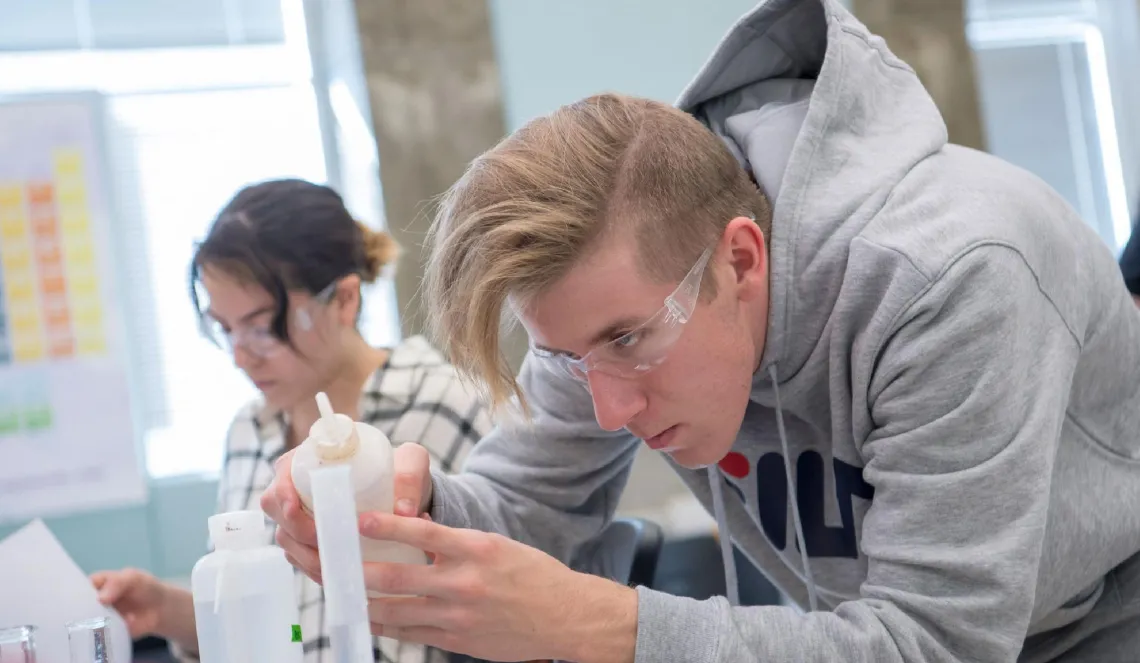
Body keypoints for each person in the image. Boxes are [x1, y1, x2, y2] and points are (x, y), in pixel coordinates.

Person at [262, 0, 1140, 661]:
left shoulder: (951, 277)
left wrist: (598, 619)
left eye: (628, 342)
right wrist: (409, 512)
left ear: (742, 260)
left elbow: (933, 644)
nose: (608, 407)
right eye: (568, 355)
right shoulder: (609, 302)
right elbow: (528, 508)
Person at [90, 179, 491, 663]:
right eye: (225, 329)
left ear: (344, 300)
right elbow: (283, 628)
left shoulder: (444, 403)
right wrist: (167, 609)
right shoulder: (249, 432)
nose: (241, 357)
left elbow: (490, 615)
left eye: (262, 327)